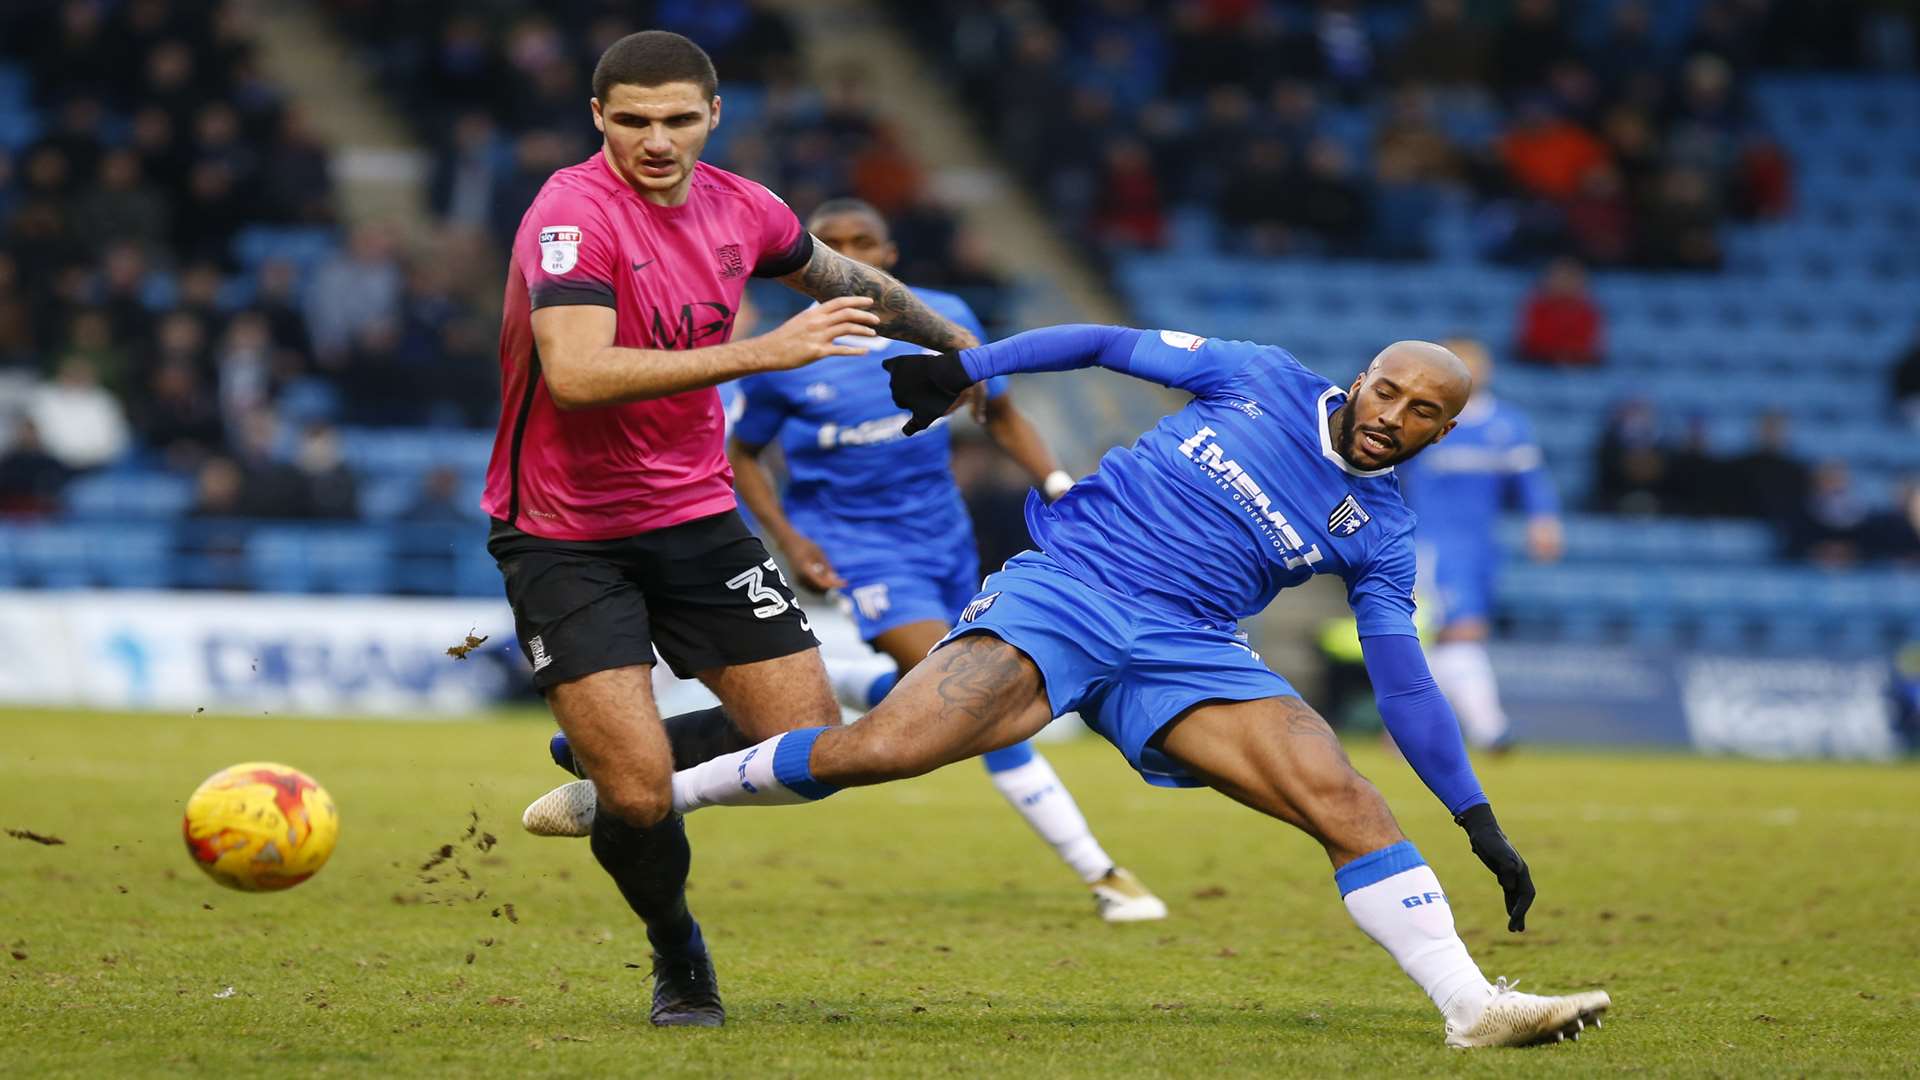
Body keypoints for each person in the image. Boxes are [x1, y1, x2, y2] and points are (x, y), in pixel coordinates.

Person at [529, 329, 1612, 1046]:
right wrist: (970, 365)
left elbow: (1406, 680)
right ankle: (651, 790)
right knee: (883, 751)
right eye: (1388, 388)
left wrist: (1475, 815)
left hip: (1190, 648)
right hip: (1070, 591)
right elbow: (1098, 343)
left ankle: (1472, 1007)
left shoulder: (1382, 531)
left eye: (1423, 410)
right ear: (1362, 377)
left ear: (1443, 430)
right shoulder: (1260, 376)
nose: (1394, 413)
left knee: (1345, 799)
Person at [483, 31, 979, 1029]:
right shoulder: (569, 218)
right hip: (565, 534)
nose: (655, 140)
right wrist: (765, 353)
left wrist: (960, 346)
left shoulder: (744, 208)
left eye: (676, 119)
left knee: (812, 752)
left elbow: (846, 280)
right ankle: (680, 956)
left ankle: (625, 752)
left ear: (714, 115)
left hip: (698, 516)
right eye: (632, 120)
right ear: (599, 119)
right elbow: (576, 374)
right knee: (639, 804)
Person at [726, 197, 1166, 922]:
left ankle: (848, 680)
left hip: (944, 538)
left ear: (889, 255)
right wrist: (789, 538)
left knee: (931, 684)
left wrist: (1058, 487)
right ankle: (1104, 874)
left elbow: (999, 412)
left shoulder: (939, 318)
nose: (846, 257)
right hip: (858, 549)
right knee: (968, 696)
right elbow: (742, 454)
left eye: (861, 242)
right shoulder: (786, 353)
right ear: (801, 267)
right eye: (827, 246)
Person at [1397, 340, 1562, 751]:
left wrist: (1543, 519)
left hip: (1482, 547)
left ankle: (1409, 728)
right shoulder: (1425, 418)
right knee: (1458, 630)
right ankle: (1488, 728)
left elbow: (1531, 479)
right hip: (1433, 544)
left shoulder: (1507, 424)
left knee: (1456, 634)